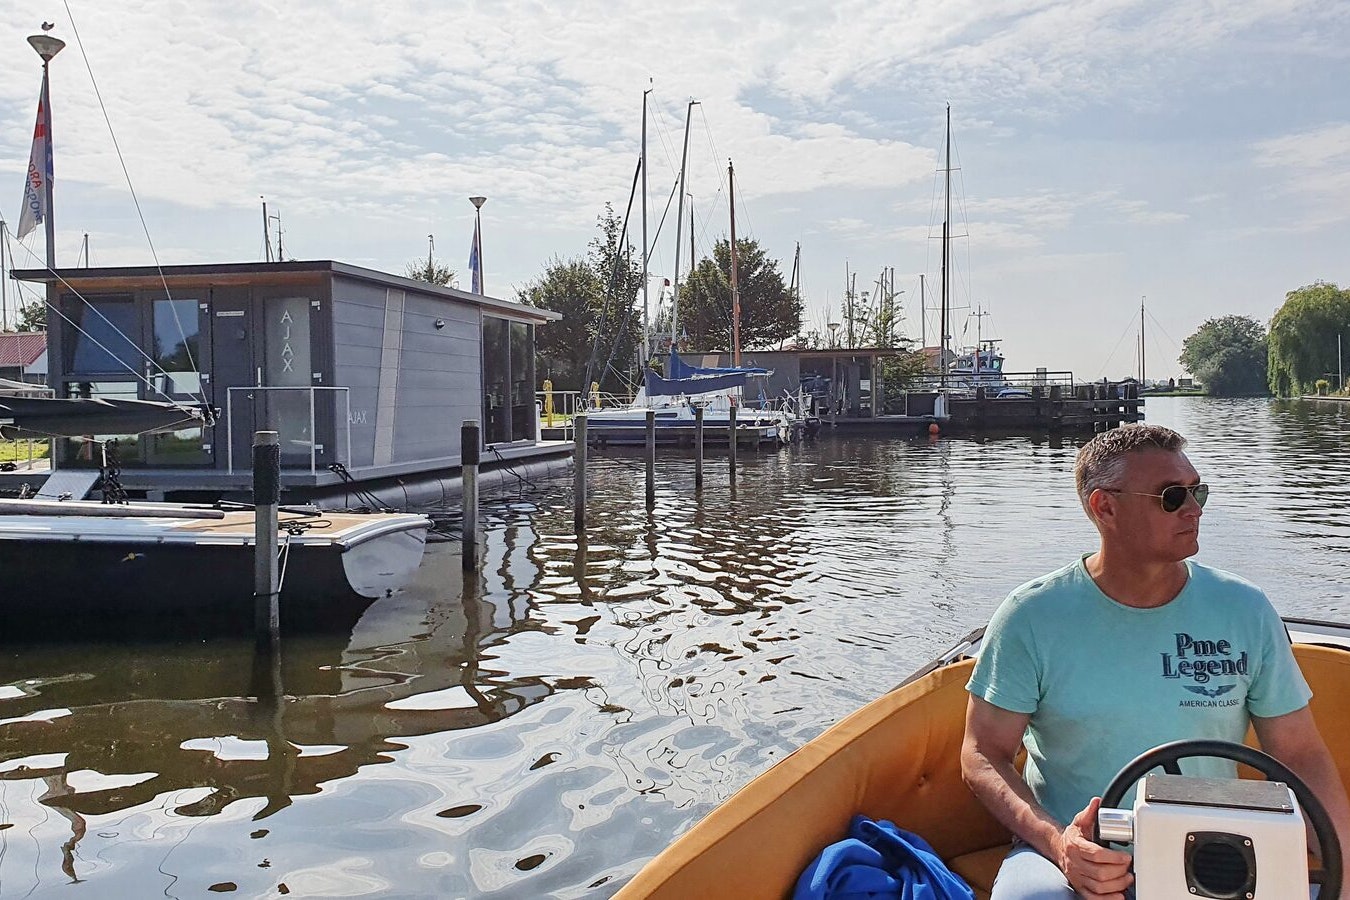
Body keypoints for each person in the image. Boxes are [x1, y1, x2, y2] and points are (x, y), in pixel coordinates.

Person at [960, 424, 1350, 899]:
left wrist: (1343, 866)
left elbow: (1299, 754)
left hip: (1221, 849)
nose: (1194, 510)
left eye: (1197, 492)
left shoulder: (1245, 610)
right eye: (1171, 497)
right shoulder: (1031, 616)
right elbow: (982, 755)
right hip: (1075, 849)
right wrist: (1060, 844)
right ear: (1105, 507)